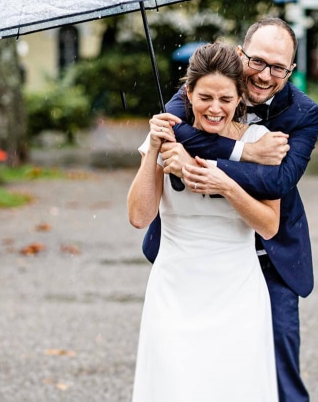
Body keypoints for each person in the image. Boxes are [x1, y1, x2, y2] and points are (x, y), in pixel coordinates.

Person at [143, 17, 318, 402]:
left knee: (279, 374)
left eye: (278, 67)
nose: (264, 75)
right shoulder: (205, 84)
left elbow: (277, 183)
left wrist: (223, 164)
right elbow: (174, 130)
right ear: (241, 55)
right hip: (196, 262)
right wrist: (245, 152)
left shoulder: (305, 114)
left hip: (270, 257)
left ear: (291, 70)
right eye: (257, 62)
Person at [128, 42, 280, 401]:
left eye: (226, 99)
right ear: (188, 93)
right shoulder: (166, 138)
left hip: (237, 292)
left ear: (240, 98)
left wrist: (226, 184)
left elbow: (270, 225)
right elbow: (138, 216)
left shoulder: (261, 143)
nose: (215, 109)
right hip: (175, 291)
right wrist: (153, 150)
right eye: (206, 97)